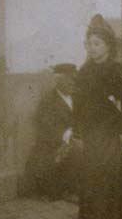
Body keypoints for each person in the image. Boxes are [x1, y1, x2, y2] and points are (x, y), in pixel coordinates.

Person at [73, 14, 122, 219]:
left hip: (108, 131)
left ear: (108, 46)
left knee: (111, 173)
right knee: (92, 175)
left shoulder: (117, 70)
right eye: (89, 44)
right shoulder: (83, 72)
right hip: (90, 131)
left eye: (97, 44)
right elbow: (77, 106)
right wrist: (78, 132)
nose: (92, 48)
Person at [24, 63, 80, 201]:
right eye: (69, 80)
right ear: (58, 81)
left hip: (74, 137)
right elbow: (47, 126)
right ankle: (70, 190)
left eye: (75, 79)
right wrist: (67, 135)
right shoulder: (49, 101)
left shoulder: (77, 96)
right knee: (77, 149)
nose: (73, 83)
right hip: (53, 143)